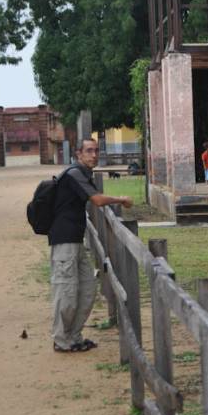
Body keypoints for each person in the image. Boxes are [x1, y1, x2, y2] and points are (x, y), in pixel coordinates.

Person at [48, 138, 133, 353]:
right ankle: (61, 340)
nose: (94, 155)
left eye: (96, 150)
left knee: (87, 288)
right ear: (78, 154)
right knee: (66, 292)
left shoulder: (84, 174)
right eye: (89, 151)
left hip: (75, 240)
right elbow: (97, 200)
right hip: (64, 241)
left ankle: (74, 336)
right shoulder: (75, 173)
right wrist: (121, 199)